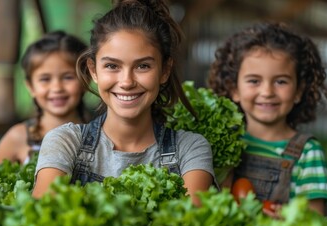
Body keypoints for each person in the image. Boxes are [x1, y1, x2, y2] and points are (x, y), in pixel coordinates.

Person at [32, 0, 216, 206]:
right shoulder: (64, 142)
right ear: (93, 70)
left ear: (164, 71)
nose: (127, 82)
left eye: (143, 66)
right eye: (112, 65)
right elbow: (44, 217)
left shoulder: (191, 149)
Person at [207, 22, 327, 216]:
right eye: (254, 81)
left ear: (298, 91)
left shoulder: (307, 152)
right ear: (234, 89)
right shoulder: (223, 144)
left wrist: (286, 217)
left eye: (281, 81)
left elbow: (314, 220)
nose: (267, 92)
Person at [0, 31, 90, 165]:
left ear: (86, 81)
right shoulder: (18, 137)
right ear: (31, 86)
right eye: (45, 79)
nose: (57, 88)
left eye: (68, 77)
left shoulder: (101, 135)